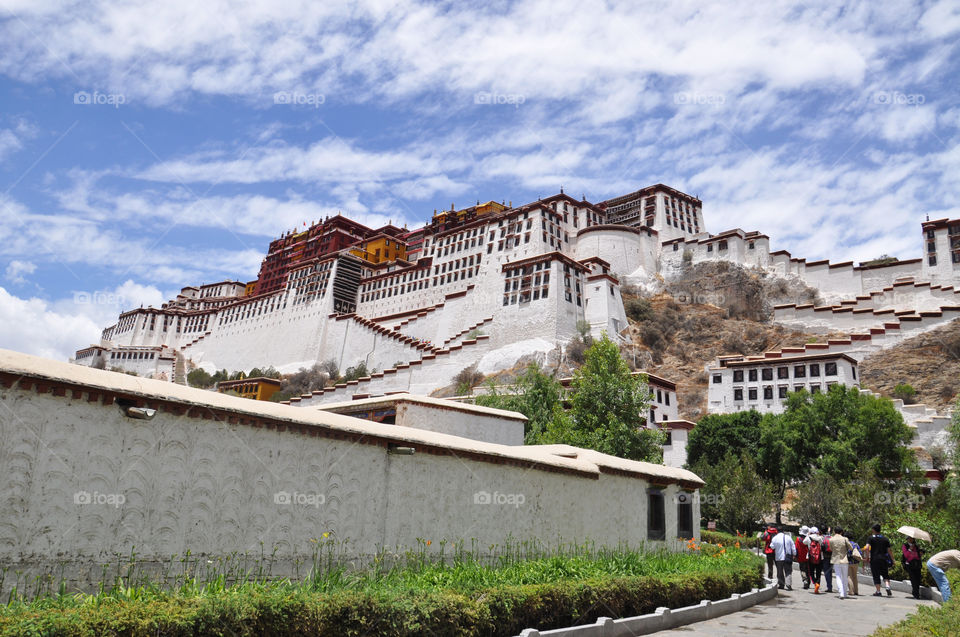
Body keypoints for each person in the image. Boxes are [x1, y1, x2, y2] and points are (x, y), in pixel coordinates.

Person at [863, 524, 895, 597]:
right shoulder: (885, 539)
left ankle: (878, 591)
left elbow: (867, 548)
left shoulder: (870, 538)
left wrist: (868, 557)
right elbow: (889, 550)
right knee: (885, 573)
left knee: (876, 575)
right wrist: (893, 559)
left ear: (873, 530)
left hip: (874, 559)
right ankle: (887, 586)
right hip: (884, 559)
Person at [829, 526, 853, 599]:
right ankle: (845, 593)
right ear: (841, 532)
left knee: (838, 576)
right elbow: (851, 547)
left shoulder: (831, 539)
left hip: (836, 560)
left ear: (834, 531)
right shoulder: (845, 539)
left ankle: (841, 592)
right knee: (845, 577)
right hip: (844, 559)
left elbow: (831, 549)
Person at [804, 526, 825, 594]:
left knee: (811, 572)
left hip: (811, 557)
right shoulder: (820, 538)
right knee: (818, 572)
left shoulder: (808, 538)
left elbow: (804, 542)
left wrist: (808, 535)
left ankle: (815, 583)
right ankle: (818, 583)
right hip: (819, 558)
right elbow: (822, 544)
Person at [846, 531, 862, 596]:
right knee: (855, 576)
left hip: (848, 562)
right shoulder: (856, 544)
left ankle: (851, 591)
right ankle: (856, 591)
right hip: (855, 562)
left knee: (849, 576)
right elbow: (860, 553)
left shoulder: (846, 544)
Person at [796, 525, 810, 589]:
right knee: (808, 569)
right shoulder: (808, 539)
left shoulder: (798, 539)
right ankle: (808, 581)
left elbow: (796, 548)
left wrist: (795, 556)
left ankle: (805, 580)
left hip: (800, 557)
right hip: (808, 557)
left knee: (802, 569)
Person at [822, 528, 834, 593]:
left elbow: (822, 547)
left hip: (825, 557)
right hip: (832, 557)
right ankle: (830, 586)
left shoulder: (824, 539)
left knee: (826, 572)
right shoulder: (832, 538)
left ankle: (829, 586)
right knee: (830, 572)